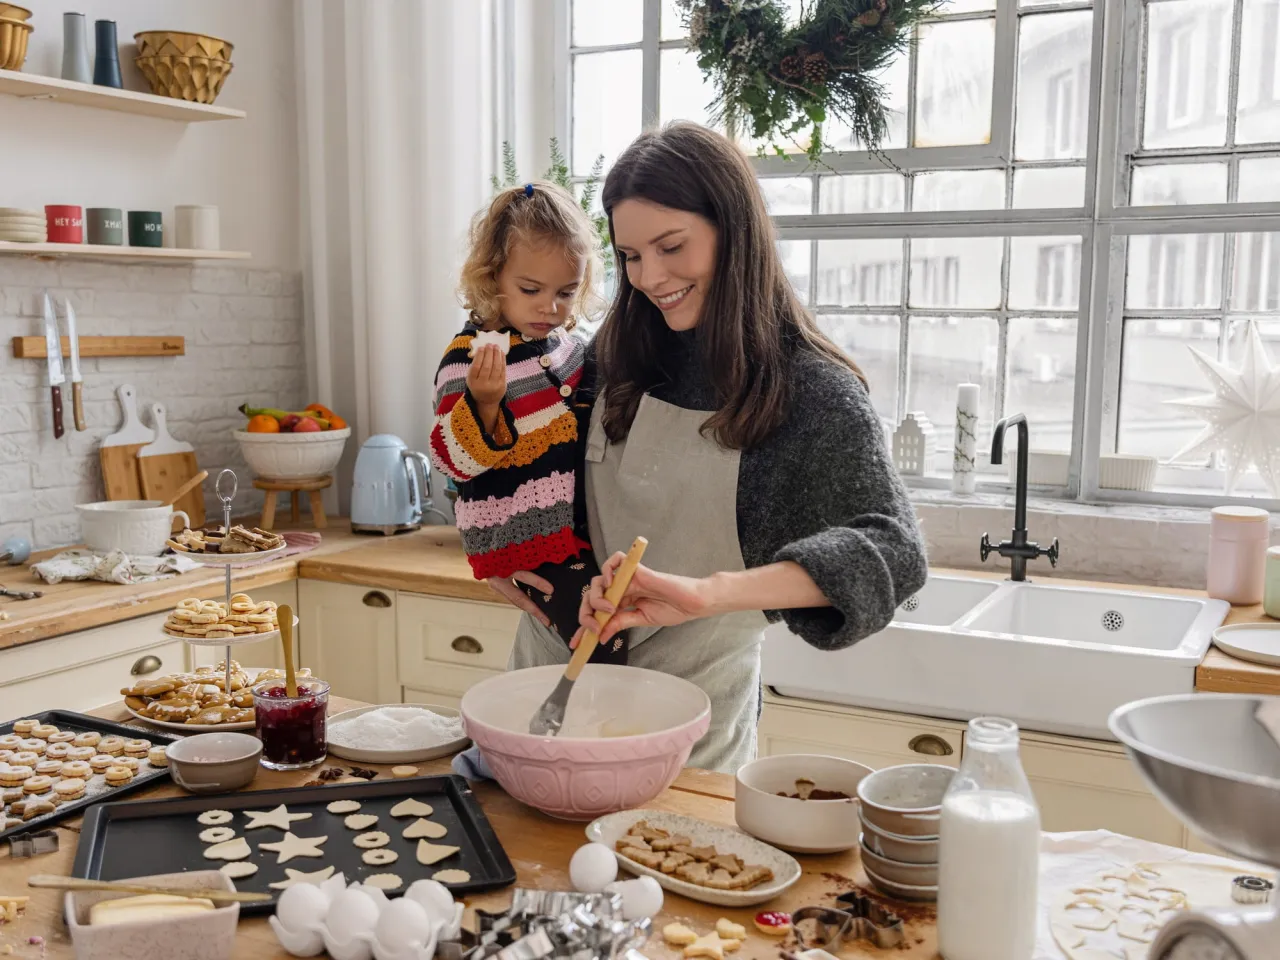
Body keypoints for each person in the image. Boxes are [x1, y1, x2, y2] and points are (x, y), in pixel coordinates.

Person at [486, 124, 928, 772]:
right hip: (541, 699)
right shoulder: (610, 356)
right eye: (631, 256)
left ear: (732, 229)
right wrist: (494, 539)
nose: (650, 277)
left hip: (686, 740)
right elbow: (513, 459)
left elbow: (893, 550)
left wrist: (711, 593)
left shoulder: (808, 390)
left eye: (671, 247)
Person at [429, 181, 627, 663]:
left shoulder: (568, 345)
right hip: (529, 541)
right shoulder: (472, 356)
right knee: (603, 645)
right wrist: (486, 404)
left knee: (610, 634)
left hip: (580, 531)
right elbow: (450, 461)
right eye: (531, 290)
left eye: (566, 291)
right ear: (492, 276)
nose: (551, 307)